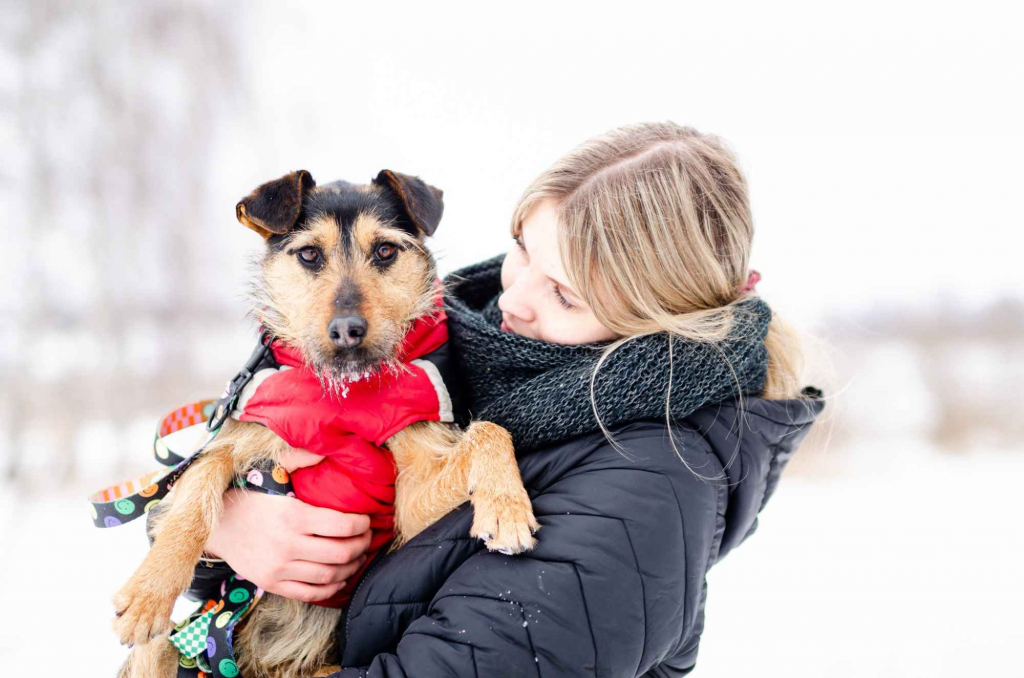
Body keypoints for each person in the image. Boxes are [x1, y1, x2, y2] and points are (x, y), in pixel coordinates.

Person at [193, 121, 824, 676]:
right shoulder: (441, 339)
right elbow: (235, 469)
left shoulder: (651, 489)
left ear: (656, 319)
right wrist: (222, 529)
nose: (515, 299)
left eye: (564, 295)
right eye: (522, 249)